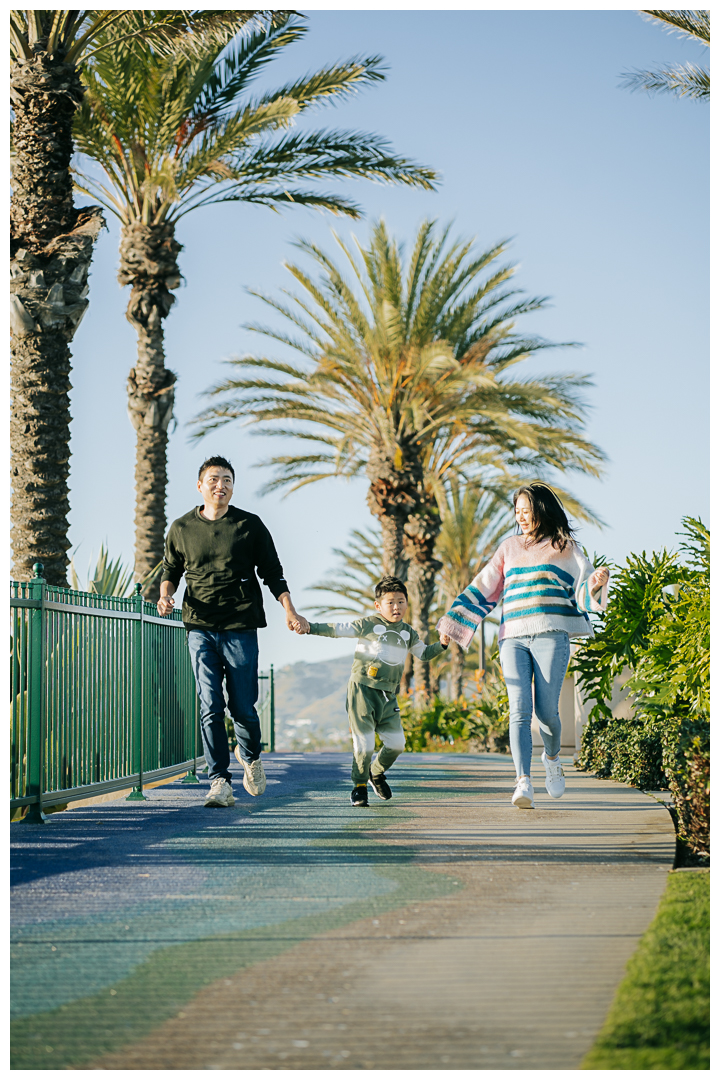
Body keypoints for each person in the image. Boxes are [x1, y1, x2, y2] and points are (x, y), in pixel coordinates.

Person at [437, 482, 609, 810]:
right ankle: (522, 781)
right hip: (512, 637)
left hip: (550, 635)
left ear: (541, 510)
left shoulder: (564, 546)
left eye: (526, 510)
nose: (521, 516)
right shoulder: (509, 547)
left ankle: (553, 758)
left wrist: (596, 583)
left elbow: (583, 588)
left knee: (546, 714)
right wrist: (452, 622)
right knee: (519, 710)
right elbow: (483, 587)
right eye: (517, 511)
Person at [157, 456, 309, 808]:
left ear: (232, 487)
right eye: (213, 479)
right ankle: (219, 782)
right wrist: (166, 595)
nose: (220, 485)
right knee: (209, 704)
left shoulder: (249, 525)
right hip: (200, 626)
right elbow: (170, 567)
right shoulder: (181, 528)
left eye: (226, 479)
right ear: (200, 485)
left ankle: (251, 756)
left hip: (241, 625)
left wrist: (290, 609)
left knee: (243, 706)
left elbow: (272, 571)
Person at [292, 576, 450, 806]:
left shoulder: (408, 633)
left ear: (407, 603)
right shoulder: (368, 624)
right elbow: (337, 629)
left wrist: (443, 644)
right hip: (362, 691)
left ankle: (375, 773)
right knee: (364, 744)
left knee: (397, 744)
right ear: (378, 605)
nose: (396, 607)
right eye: (390, 602)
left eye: (401, 601)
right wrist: (309, 628)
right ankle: (359, 786)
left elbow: (424, 654)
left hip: (388, 695)